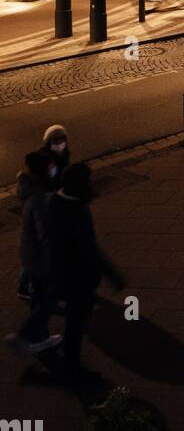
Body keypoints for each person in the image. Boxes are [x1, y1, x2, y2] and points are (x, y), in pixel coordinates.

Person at [48, 162, 125, 382]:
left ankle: (71, 365)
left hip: (67, 276)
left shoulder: (58, 202)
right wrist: (113, 275)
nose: (91, 183)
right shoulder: (74, 212)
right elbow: (89, 249)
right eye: (87, 180)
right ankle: (72, 369)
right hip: (76, 279)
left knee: (75, 322)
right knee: (75, 324)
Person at [5, 153, 61, 356]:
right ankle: (26, 335)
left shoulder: (28, 188)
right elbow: (45, 233)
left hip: (30, 254)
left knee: (38, 295)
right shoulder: (40, 197)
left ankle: (40, 338)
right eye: (50, 165)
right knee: (50, 298)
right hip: (41, 259)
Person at [39, 124, 70, 192]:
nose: (59, 142)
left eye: (61, 139)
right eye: (55, 140)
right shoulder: (44, 156)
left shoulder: (65, 152)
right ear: (49, 141)